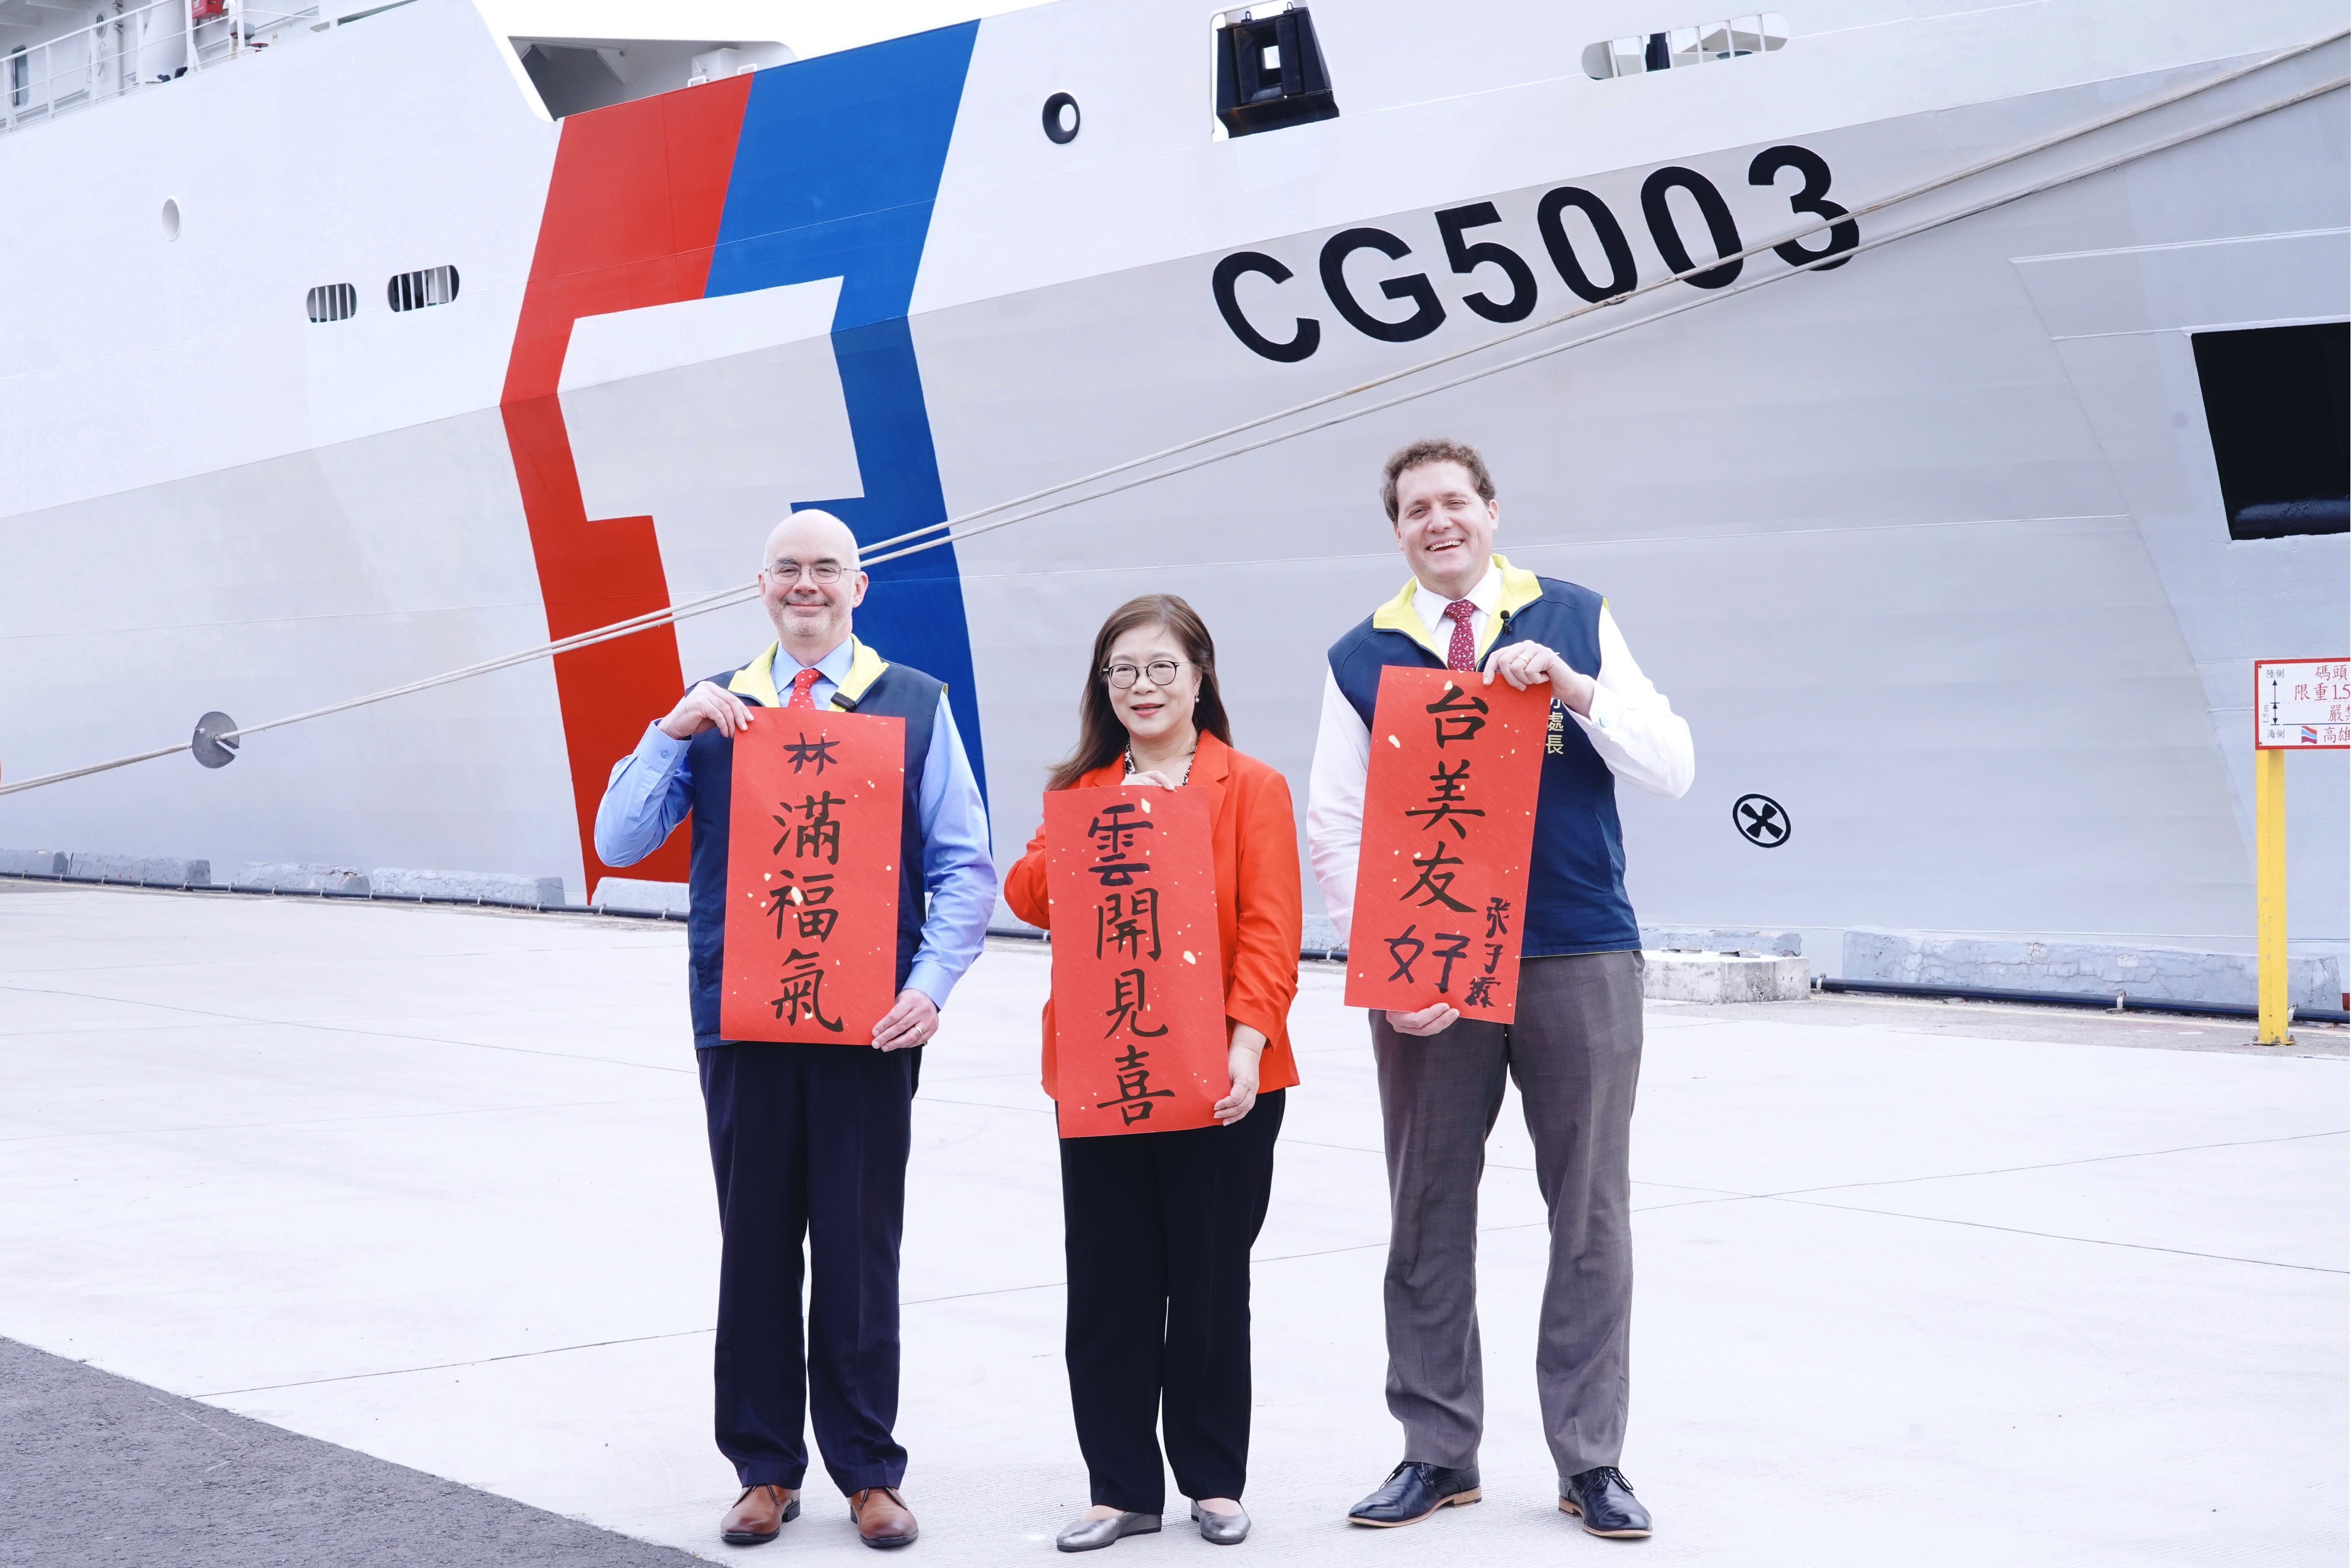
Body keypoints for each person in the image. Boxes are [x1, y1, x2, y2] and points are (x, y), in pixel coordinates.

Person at [1305, 439, 1694, 1541]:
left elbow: (1670, 765)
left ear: (1491, 511)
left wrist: (1576, 689)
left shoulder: (1576, 617)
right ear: (1397, 530)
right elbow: (1336, 822)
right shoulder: (1362, 655)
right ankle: (1437, 1450)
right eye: (1416, 509)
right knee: (1427, 1205)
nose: (1439, 522)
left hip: (1576, 947)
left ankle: (1591, 1458)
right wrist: (1388, 963)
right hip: (1434, 966)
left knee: (1590, 1208)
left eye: (1455, 502)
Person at [593, 509, 995, 1552]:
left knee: (860, 1247)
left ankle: (869, 1471)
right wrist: (668, 731)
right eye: (787, 569)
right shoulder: (716, 709)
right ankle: (764, 1469)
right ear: (760, 584)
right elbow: (620, 839)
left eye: (826, 569)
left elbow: (964, 865)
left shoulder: (914, 704)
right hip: (744, 1022)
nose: (805, 584)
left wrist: (931, 985)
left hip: (869, 1028)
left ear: (859, 587)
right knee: (757, 1246)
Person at [1002, 594, 1302, 1552]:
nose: (1143, 685)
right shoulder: (1086, 789)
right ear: (1104, 686)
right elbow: (1027, 894)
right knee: (1110, 1285)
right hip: (1107, 1067)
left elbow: (1272, 931)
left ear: (1200, 676)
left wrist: (1246, 1045)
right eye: (1122, 669)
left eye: (1162, 666)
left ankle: (1213, 1480)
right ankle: (1121, 1486)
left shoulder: (1250, 786)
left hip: (1223, 1078)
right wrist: (1106, 820)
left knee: (1208, 1284)